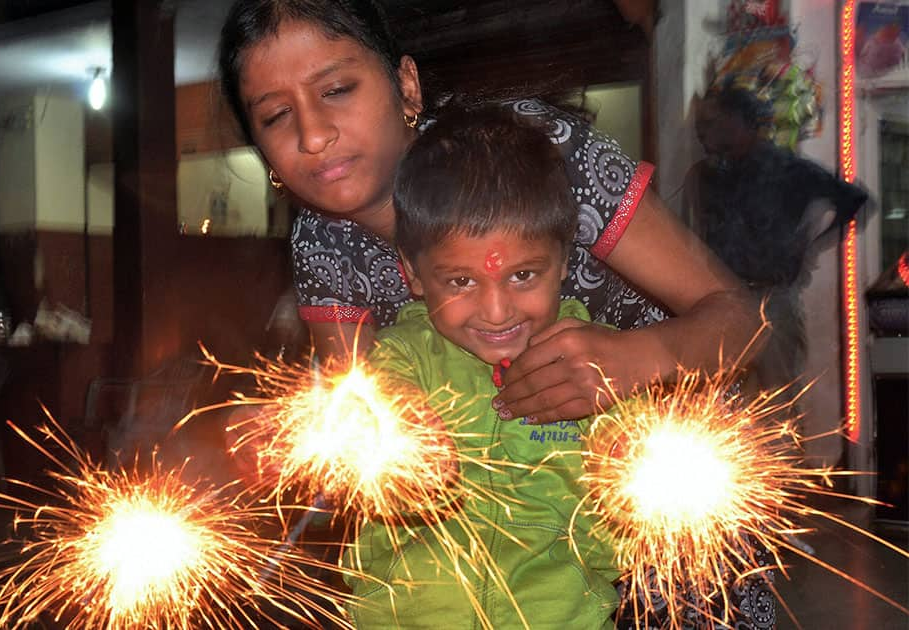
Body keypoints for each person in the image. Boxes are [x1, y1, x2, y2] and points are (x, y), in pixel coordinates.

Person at [217, 0, 761, 427]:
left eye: (336, 90)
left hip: (665, 475)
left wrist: (644, 357)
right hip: (500, 514)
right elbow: (368, 416)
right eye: (277, 115)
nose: (313, 136)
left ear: (406, 86)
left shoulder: (535, 152)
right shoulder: (321, 242)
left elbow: (745, 320)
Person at [349, 104, 621, 628]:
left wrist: (630, 503)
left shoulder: (594, 365)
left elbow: (619, 536)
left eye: (522, 275)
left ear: (563, 263)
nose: (497, 313)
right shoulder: (400, 360)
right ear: (414, 275)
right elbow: (373, 407)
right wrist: (396, 433)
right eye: (461, 281)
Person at [686, 85, 868, 418]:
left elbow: (853, 199)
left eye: (715, 122)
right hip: (721, 303)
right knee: (722, 411)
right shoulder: (711, 175)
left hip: (772, 304)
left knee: (777, 410)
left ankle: (782, 471)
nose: (706, 132)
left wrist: (810, 240)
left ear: (740, 121)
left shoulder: (786, 168)